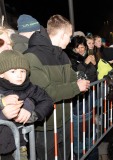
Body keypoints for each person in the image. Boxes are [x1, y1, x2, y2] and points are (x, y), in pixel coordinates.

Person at [23, 14, 90, 160]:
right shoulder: (32, 56)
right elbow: (46, 93)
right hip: (45, 126)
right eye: (70, 36)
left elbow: (72, 78)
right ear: (62, 34)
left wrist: (80, 80)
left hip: (64, 121)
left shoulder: (63, 55)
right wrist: (76, 87)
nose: (70, 40)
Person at [0, 50, 53, 159]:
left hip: (21, 143)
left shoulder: (30, 87)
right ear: (1, 74)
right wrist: (2, 111)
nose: (19, 75)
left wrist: (32, 114)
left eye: (23, 71)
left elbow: (47, 101)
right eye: (13, 71)